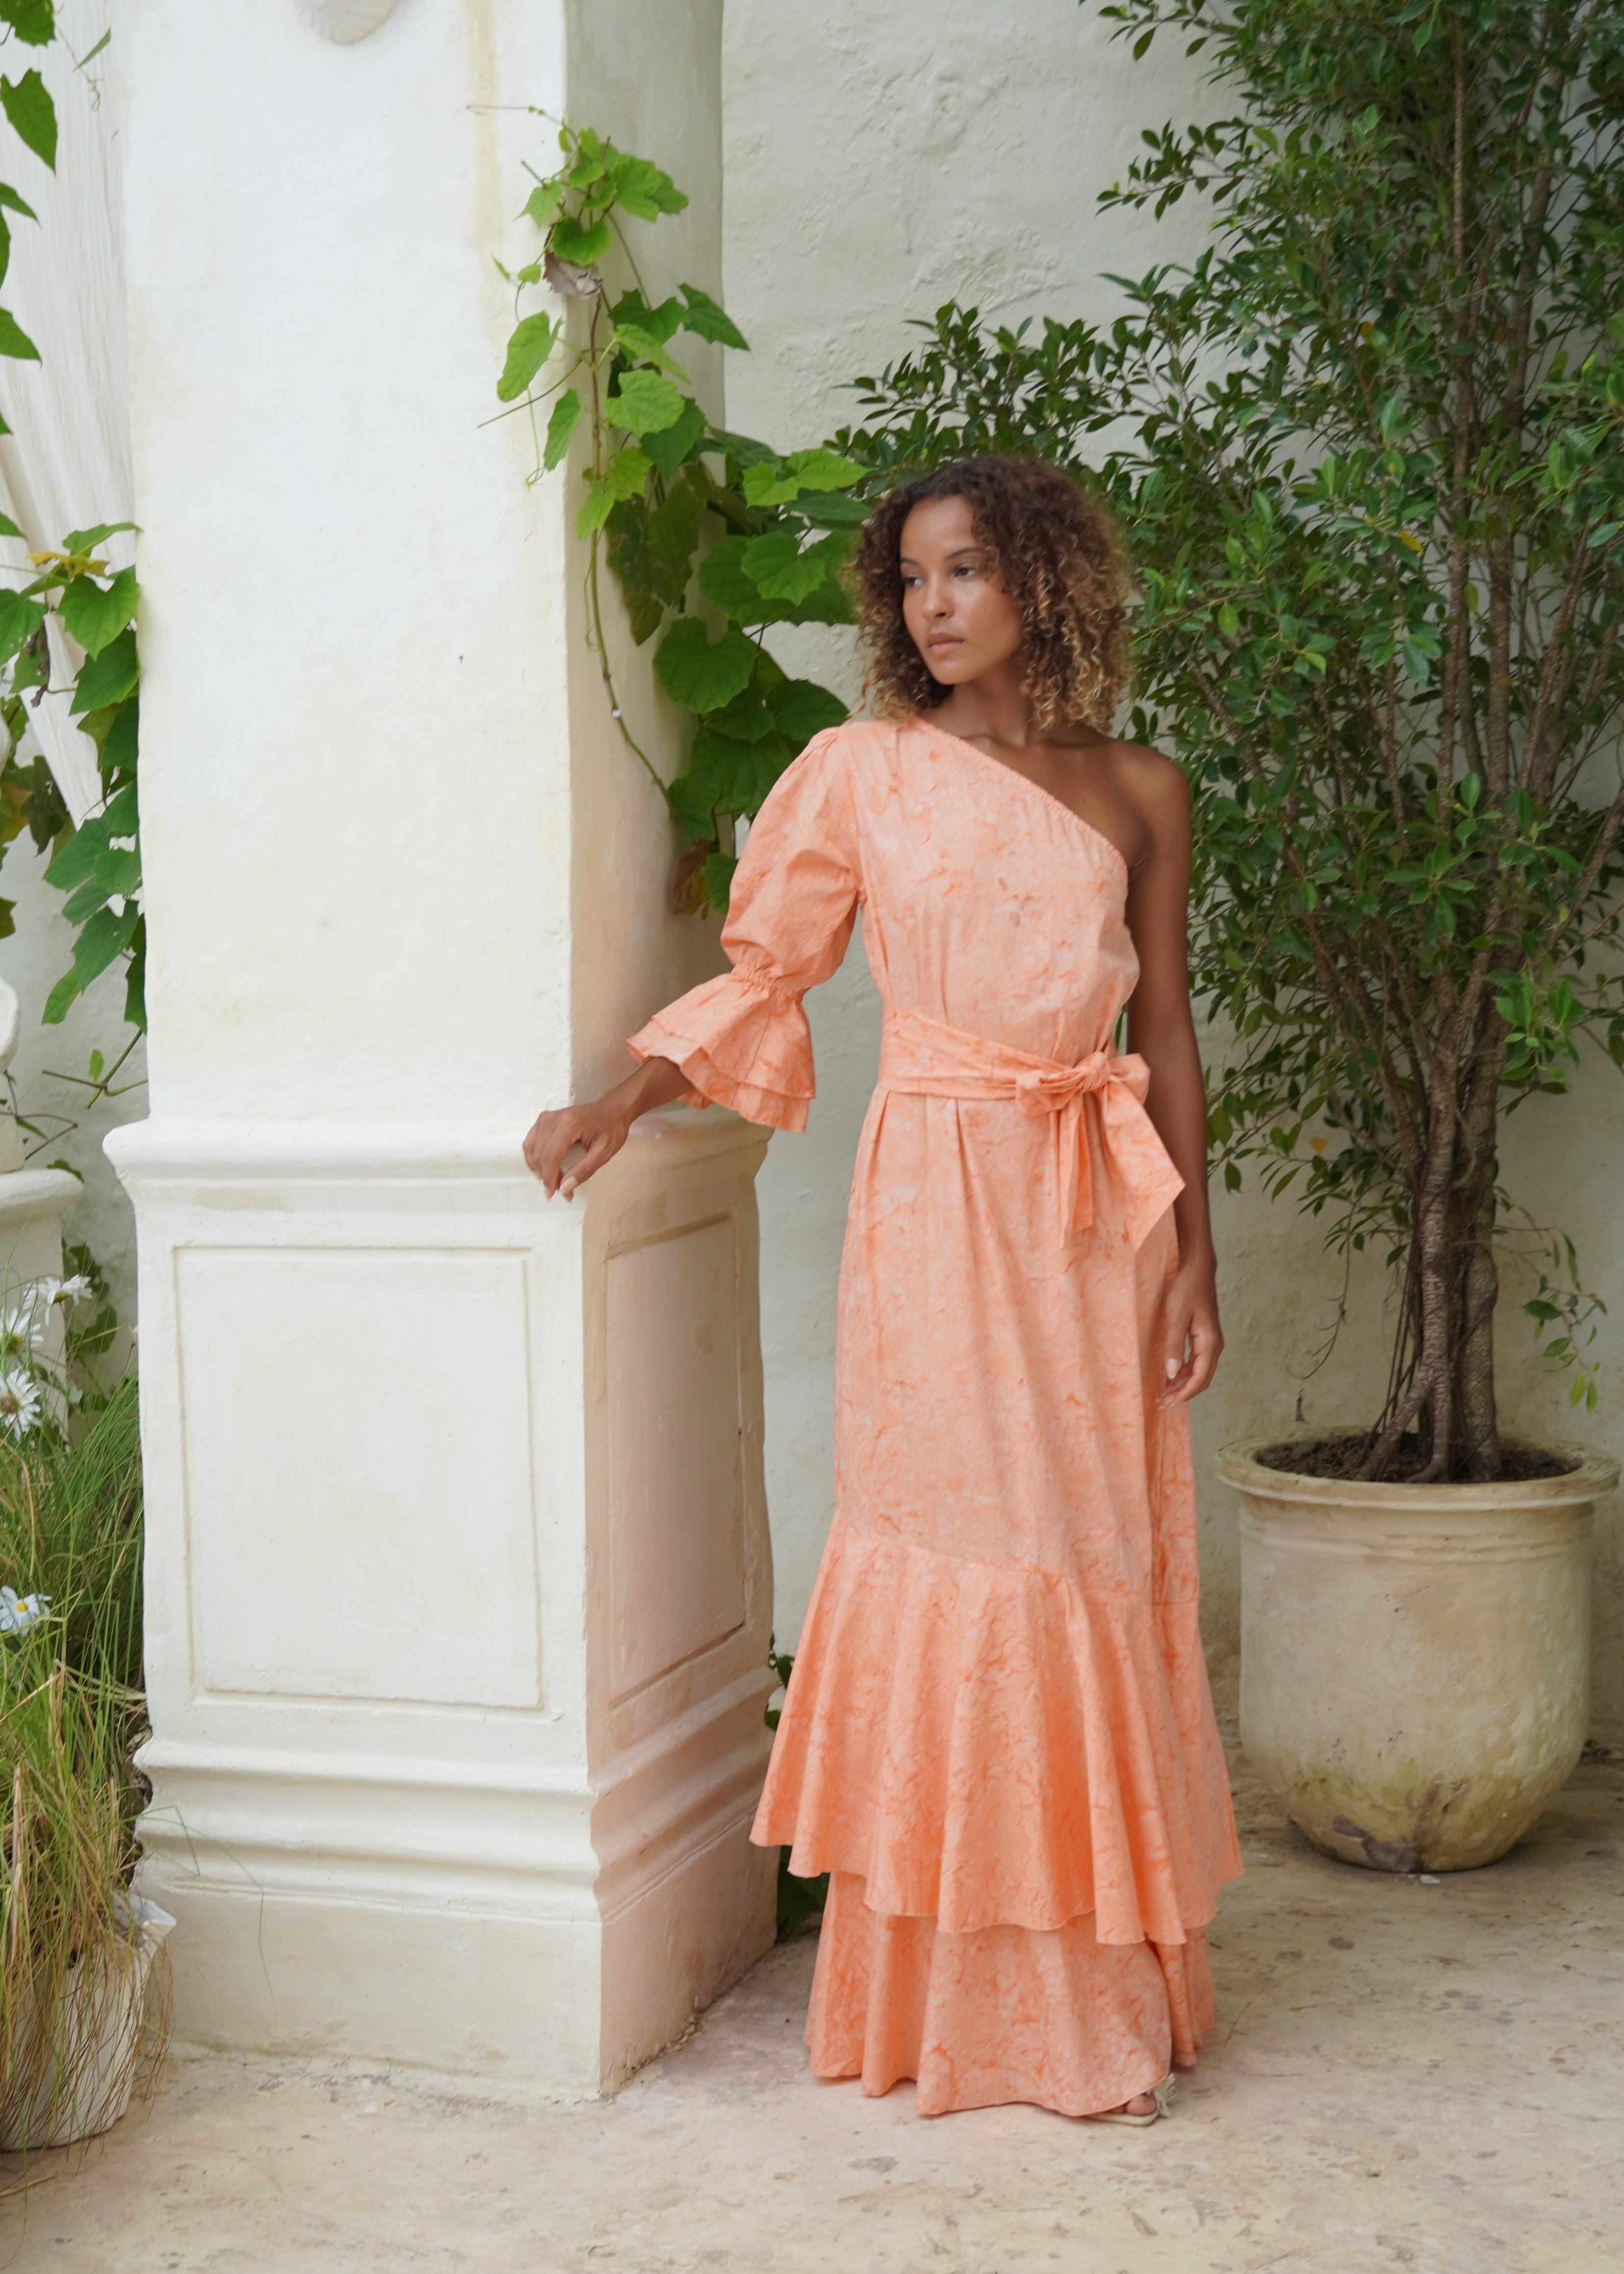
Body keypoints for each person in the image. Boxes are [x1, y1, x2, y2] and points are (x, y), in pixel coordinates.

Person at [524, 454, 1241, 2123]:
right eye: (914, 576)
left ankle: (1092, 2003)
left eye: (970, 568)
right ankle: (955, 2008)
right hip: (932, 1207)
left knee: (1085, 1558)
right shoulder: (862, 774)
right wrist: (625, 1098)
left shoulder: (1144, 787)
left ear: (1044, 581)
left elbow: (1171, 1029)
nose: (935, 602)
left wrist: (1196, 1247)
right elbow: (765, 971)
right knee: (961, 1558)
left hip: (1092, 1215)